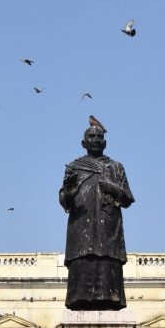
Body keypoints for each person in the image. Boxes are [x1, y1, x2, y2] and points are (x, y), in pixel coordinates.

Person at [59, 125, 134, 310]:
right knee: (82, 260)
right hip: (81, 226)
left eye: (99, 137)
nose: (96, 140)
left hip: (108, 226)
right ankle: (80, 299)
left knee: (107, 261)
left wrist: (113, 188)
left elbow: (127, 199)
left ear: (105, 143)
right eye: (91, 136)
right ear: (83, 143)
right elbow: (63, 199)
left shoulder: (115, 167)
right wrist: (70, 191)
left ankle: (109, 299)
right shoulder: (74, 167)